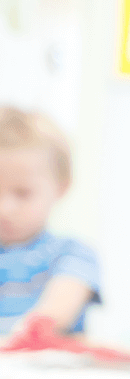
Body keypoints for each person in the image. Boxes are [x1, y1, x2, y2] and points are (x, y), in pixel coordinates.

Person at [0, 107, 100, 338]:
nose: (4, 209)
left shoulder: (73, 254)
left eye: (23, 193)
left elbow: (53, 315)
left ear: (60, 187)